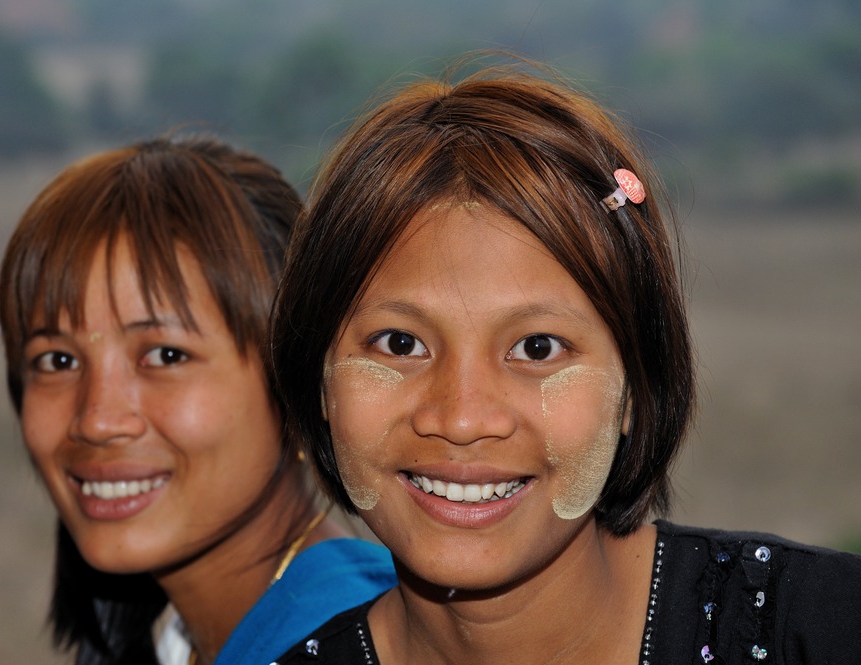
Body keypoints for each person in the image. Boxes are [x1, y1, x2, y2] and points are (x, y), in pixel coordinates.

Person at [269, 64, 861, 663]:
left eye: (537, 348)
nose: (463, 418)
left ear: (634, 387)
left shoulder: (822, 632)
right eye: (400, 344)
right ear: (320, 382)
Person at [0, 136, 395, 665]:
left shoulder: (357, 642)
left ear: (298, 379)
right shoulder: (194, 638)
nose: (96, 420)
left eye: (164, 355)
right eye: (57, 361)